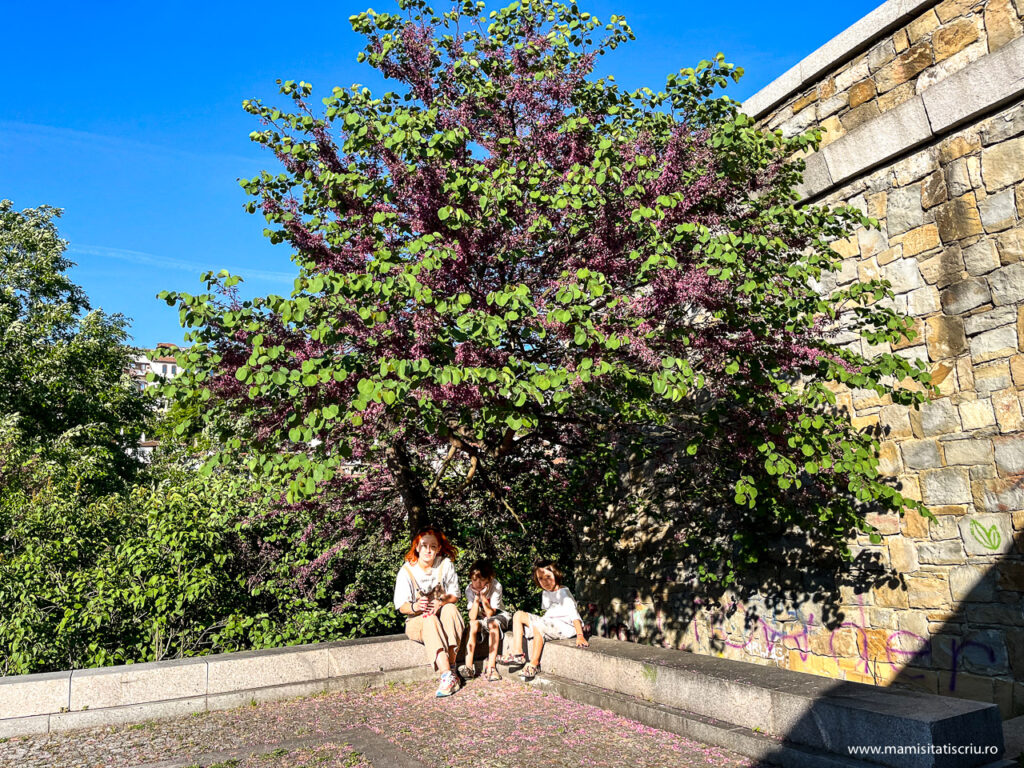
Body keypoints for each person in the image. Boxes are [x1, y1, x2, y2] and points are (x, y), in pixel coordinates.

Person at [393, 526, 465, 697]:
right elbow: (401, 606)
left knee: (451, 609)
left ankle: (453, 667)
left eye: (433, 546)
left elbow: (455, 595)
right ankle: (447, 674)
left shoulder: (445, 565)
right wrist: (415, 606)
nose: (428, 550)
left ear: (439, 548)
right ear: (417, 547)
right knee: (429, 619)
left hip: (442, 614)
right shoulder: (407, 571)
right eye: (424, 545)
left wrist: (440, 602)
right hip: (418, 620)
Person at [497, 559, 588, 680]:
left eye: (548, 577)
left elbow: (575, 616)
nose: (545, 582)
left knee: (538, 626)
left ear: (556, 575)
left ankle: (534, 664)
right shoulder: (546, 593)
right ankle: (518, 653)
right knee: (518, 615)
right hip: (549, 623)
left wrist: (580, 635)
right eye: (541, 579)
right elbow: (549, 613)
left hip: (563, 627)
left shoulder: (564, 593)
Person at [457, 558, 511, 682]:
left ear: (489, 578)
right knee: (472, 624)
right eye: (475, 579)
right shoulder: (469, 589)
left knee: (492, 623)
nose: (478, 583)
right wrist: (476, 597)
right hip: (482, 619)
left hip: (498, 617)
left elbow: (491, 613)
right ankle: (469, 667)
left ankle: (491, 668)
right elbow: (472, 616)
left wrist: (483, 596)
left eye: (481, 579)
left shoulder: (496, 585)